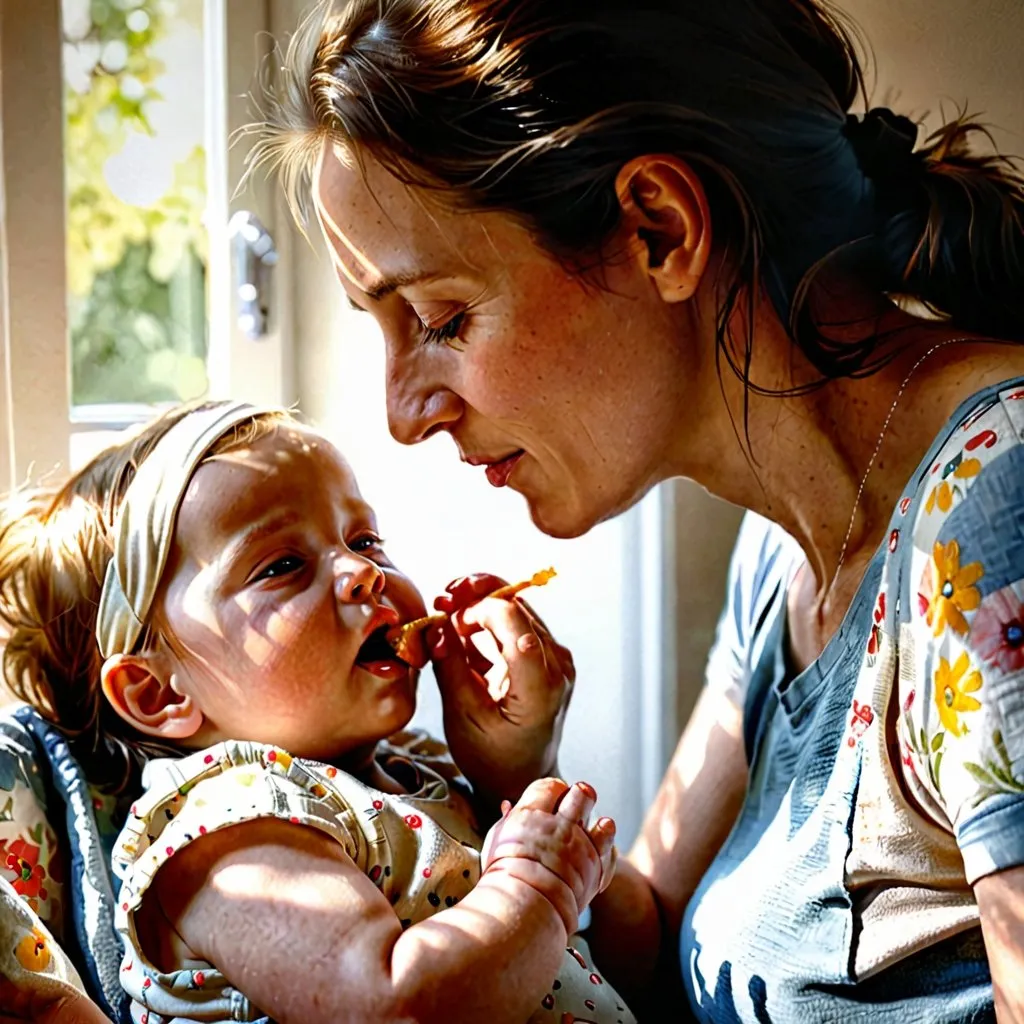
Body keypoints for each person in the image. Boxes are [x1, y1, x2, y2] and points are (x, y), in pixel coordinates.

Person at [250, 0, 1024, 1020]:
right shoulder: (788, 547)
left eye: (442, 317)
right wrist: (523, 774)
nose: (404, 414)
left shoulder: (988, 514)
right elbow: (658, 939)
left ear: (660, 229)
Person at [0, 400, 632, 1024]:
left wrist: (518, 773)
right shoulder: (229, 826)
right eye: (282, 565)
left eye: (364, 539)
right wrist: (534, 885)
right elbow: (393, 1008)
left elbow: (642, 957)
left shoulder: (425, 775)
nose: (363, 572)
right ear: (158, 695)